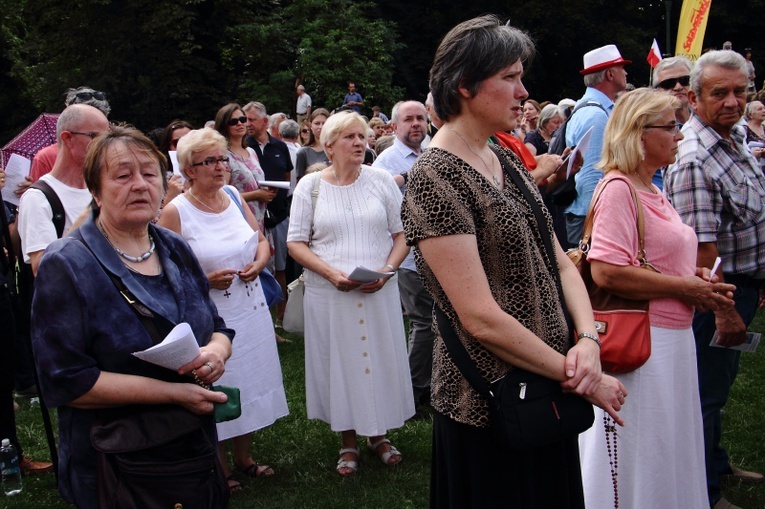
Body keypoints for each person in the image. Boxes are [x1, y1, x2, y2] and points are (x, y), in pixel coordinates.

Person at [401, 15, 626, 508]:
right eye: (510, 77)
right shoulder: (435, 177)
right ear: (464, 86)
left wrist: (587, 340)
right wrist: (580, 375)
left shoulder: (500, 157)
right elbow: (479, 318)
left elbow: (560, 261)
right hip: (489, 404)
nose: (524, 92)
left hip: (546, 391)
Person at [31, 125, 234, 509]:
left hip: (190, 450)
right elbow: (66, 382)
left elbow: (217, 326)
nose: (140, 185)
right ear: (95, 190)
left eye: (149, 173)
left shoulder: (172, 245)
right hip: (115, 462)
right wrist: (176, 394)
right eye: (123, 175)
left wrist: (216, 353)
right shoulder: (68, 263)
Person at [577, 88, 736, 509]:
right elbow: (606, 270)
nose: (680, 135)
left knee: (666, 445)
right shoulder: (617, 189)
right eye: (670, 126)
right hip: (643, 346)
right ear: (639, 134)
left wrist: (694, 275)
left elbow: (652, 258)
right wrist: (685, 287)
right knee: (642, 447)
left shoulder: (650, 187)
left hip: (670, 339)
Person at [158, 128, 288, 492]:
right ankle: (219, 467)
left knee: (250, 379)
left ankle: (245, 458)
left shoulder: (233, 195)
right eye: (209, 162)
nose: (220, 167)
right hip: (211, 317)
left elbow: (260, 241)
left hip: (251, 307)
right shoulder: (175, 211)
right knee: (222, 383)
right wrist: (204, 280)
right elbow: (165, 273)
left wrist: (259, 264)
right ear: (189, 170)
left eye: (222, 159)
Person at [287, 110, 414, 477]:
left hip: (378, 289)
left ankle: (379, 434)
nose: (360, 143)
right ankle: (348, 440)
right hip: (329, 292)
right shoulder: (311, 188)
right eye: (350, 137)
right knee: (339, 363)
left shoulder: (381, 181)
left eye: (362, 136)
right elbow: (295, 243)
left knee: (377, 357)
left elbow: (402, 233)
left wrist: (388, 271)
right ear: (329, 146)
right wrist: (330, 273)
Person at [665, 49, 765, 509]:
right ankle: (702, 491)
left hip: (744, 286)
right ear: (693, 96)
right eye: (718, 93)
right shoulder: (694, 159)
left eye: (740, 92)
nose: (732, 102)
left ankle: (718, 465)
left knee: (718, 389)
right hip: (718, 297)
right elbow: (702, 259)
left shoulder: (734, 139)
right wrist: (725, 312)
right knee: (704, 394)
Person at [372, 100, 434, 414]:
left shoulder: (433, 151)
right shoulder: (387, 162)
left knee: (440, 324)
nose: (416, 125)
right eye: (408, 119)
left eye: (420, 118)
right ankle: (410, 392)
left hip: (442, 254)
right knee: (424, 324)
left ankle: (433, 386)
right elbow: (380, 212)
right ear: (394, 126)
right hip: (411, 258)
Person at [18, 104, 110, 276]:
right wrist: (84, 221)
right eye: (95, 137)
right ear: (68, 138)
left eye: (107, 138)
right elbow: (42, 270)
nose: (103, 146)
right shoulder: (37, 197)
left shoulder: (102, 189)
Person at [564, 44, 631, 247]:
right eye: (621, 67)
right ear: (610, 74)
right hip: (590, 217)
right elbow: (591, 175)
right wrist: (602, 221)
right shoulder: (597, 114)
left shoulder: (590, 108)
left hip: (585, 214)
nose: (626, 72)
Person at [243, 102, 294, 326]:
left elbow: (286, 177)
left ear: (265, 122)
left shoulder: (280, 147)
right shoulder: (244, 148)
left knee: (280, 268)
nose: (247, 124)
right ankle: (262, 319)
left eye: (251, 119)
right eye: (245, 119)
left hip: (279, 215)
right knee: (258, 268)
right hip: (252, 218)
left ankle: (281, 317)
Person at [215, 103, 276, 232]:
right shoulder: (223, 156)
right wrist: (256, 195)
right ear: (224, 126)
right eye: (233, 121)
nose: (240, 124)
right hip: (239, 221)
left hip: (260, 219)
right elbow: (221, 195)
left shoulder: (251, 152)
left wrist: (267, 191)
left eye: (243, 119)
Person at [294, 108, 329, 180]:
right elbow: (299, 181)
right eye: (317, 123)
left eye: (324, 123)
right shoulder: (303, 152)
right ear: (311, 126)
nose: (321, 127)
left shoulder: (337, 150)